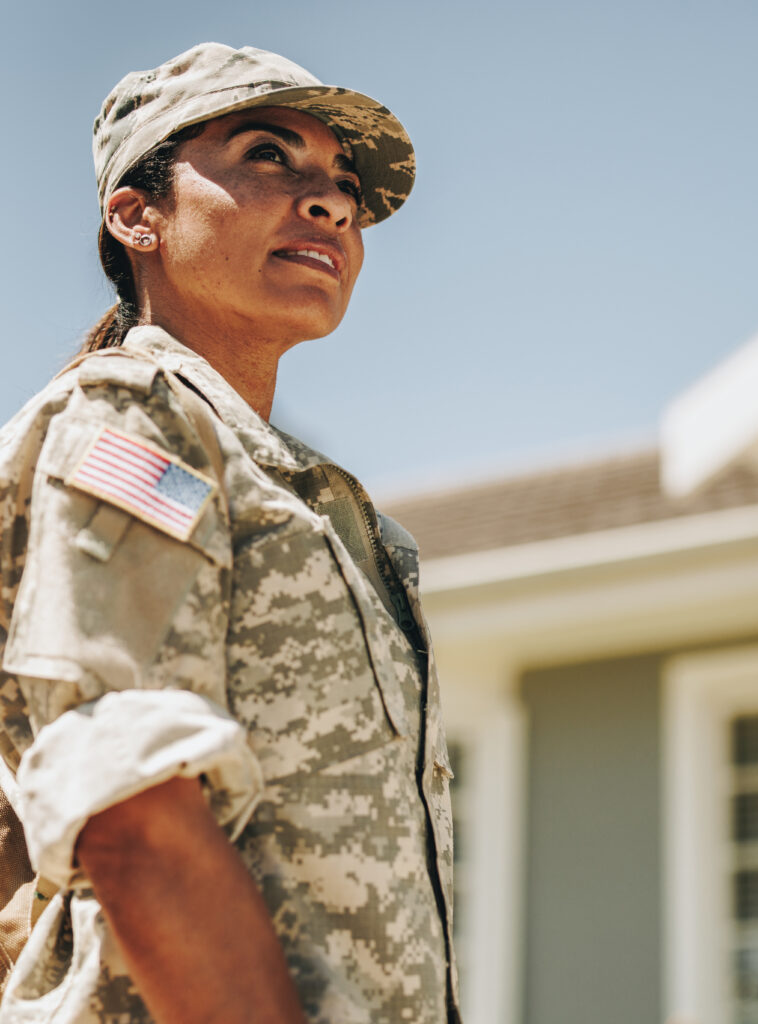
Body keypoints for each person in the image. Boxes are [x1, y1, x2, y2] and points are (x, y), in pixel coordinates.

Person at [0, 43, 459, 1024]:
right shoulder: (135, 421)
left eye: (341, 183)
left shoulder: (322, 505)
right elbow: (134, 816)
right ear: (137, 213)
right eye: (267, 155)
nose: (331, 202)